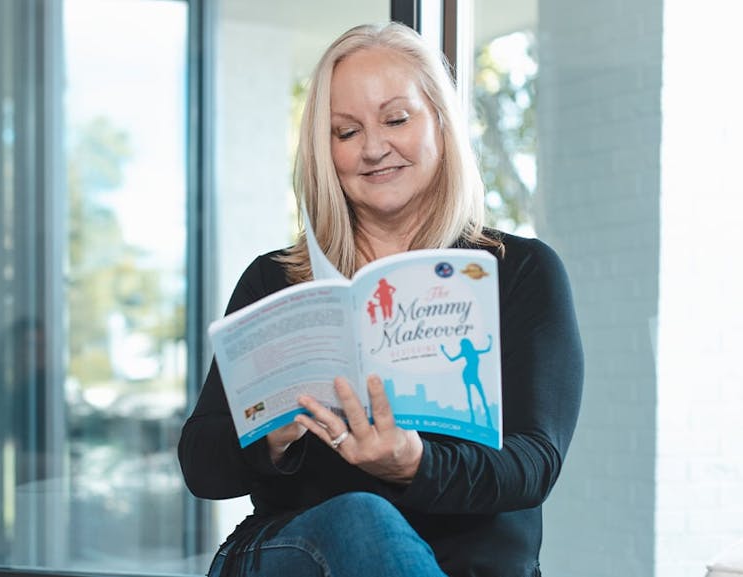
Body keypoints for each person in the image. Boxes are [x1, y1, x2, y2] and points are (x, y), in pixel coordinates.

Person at [178, 22, 583, 577]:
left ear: (440, 123)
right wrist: (270, 433)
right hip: (297, 551)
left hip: (470, 564)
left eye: (396, 119)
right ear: (325, 150)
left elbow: (533, 464)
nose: (373, 148)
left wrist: (414, 463)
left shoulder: (519, 273)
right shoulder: (276, 280)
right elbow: (201, 466)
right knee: (362, 518)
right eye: (345, 132)